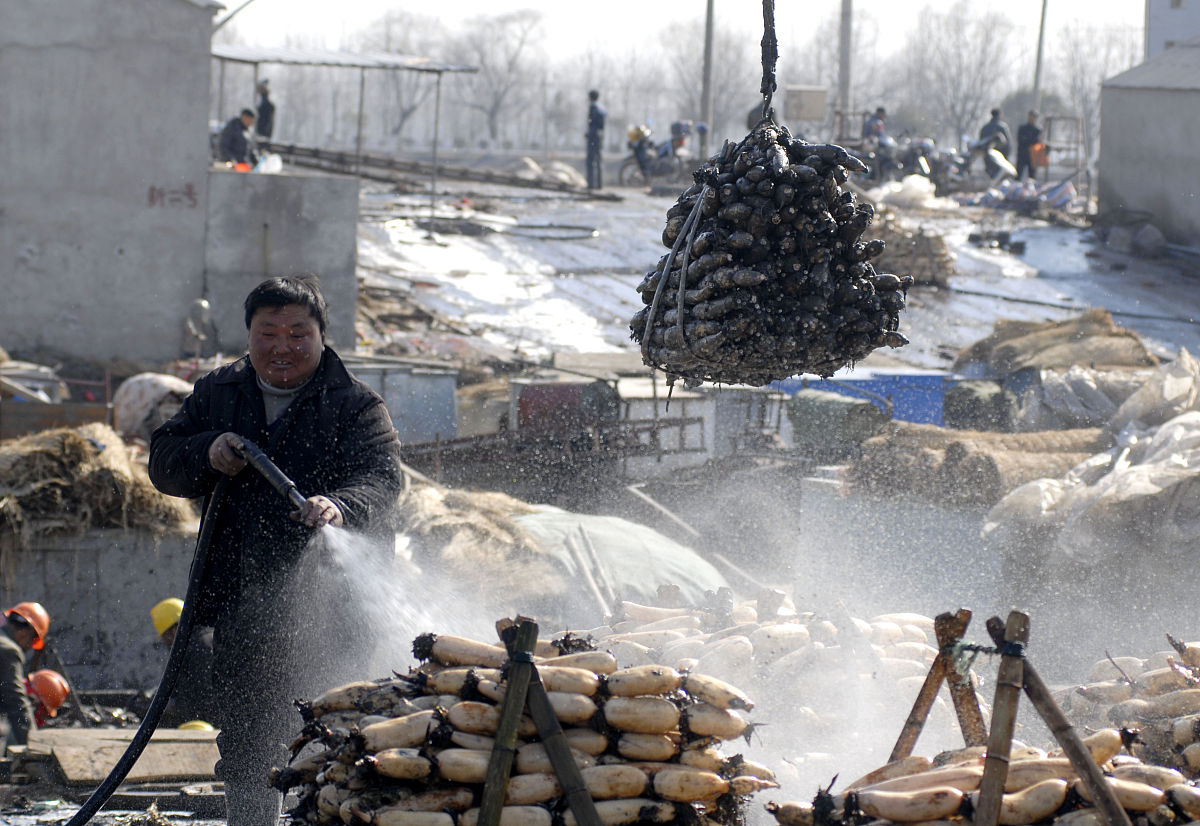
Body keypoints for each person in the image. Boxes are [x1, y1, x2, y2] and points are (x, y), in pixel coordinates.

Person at [148, 274, 403, 826]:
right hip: (241, 603)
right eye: (268, 333)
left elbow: (383, 480)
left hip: (331, 612)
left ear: (320, 336)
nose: (282, 347)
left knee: (336, 736)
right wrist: (205, 451)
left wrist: (339, 506)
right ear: (248, 335)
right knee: (246, 742)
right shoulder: (218, 394)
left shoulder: (355, 405)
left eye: (297, 333)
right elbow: (163, 460)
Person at [150, 597, 220, 728]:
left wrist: (164, 707)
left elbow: (199, 698)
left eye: (166, 637)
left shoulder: (194, 649)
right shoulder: (207, 637)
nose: (167, 643)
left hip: (204, 724)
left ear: (175, 630)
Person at [0, 602, 50, 748]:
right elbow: (16, 702)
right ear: (26, 632)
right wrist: (34, 749)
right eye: (32, 642)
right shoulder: (8, 650)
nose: (29, 649)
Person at [978, 108, 1012, 179]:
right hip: (1001, 155)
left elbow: (981, 141)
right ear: (999, 115)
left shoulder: (985, 127)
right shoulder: (1003, 127)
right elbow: (1008, 142)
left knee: (990, 175)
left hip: (988, 155)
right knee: (1000, 175)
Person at [585, 89, 606, 190]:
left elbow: (592, 123)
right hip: (600, 136)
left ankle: (591, 185)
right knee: (599, 161)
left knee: (590, 161)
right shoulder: (602, 108)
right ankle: (599, 185)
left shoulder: (593, 107)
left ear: (590, 97)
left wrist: (589, 134)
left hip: (593, 137)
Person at [1015, 110, 1042, 180]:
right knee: (1018, 175)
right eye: (1031, 116)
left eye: (1034, 117)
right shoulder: (1022, 128)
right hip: (1022, 154)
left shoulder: (1038, 130)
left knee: (1032, 177)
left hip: (1032, 156)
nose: (1032, 118)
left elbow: (1037, 142)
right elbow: (1020, 140)